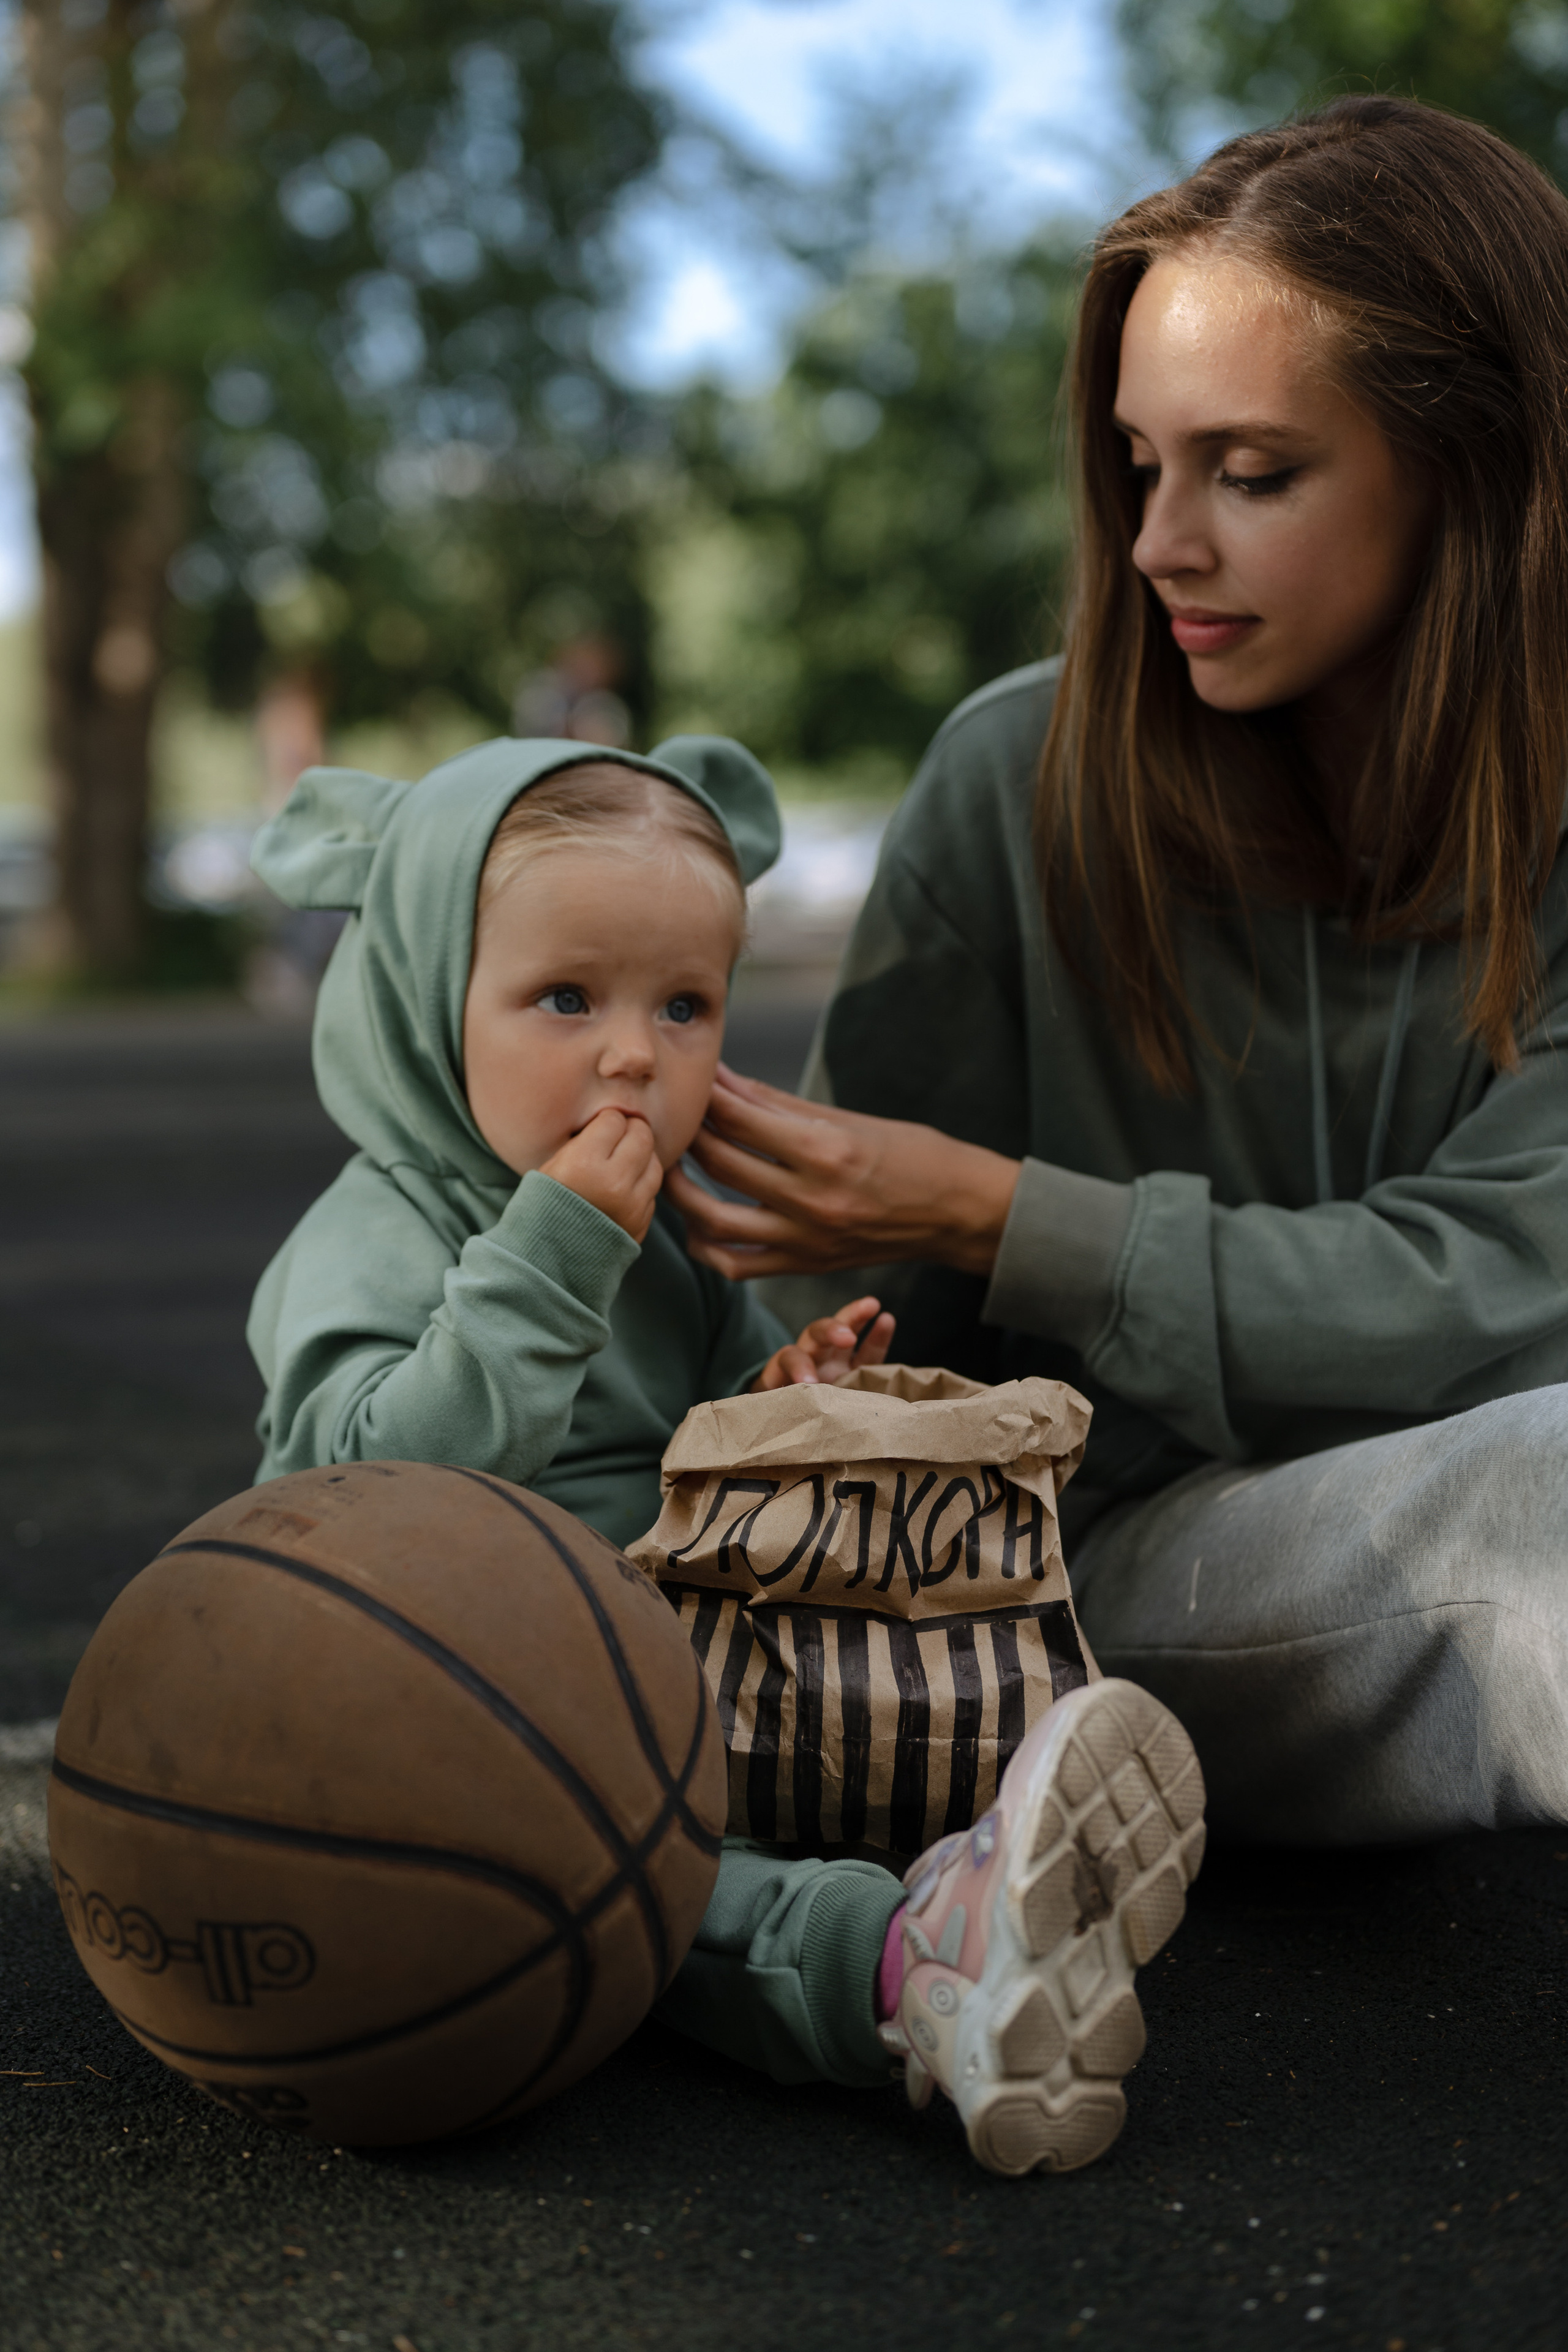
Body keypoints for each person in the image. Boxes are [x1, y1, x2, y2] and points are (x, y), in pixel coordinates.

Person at [669, 93, 1568, 1847]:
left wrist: (1006, 1213)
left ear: (1478, 470)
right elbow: (839, 1334)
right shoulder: (1015, 778)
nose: (1161, 541)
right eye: (1144, 465)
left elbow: (1490, 1292)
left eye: (1252, 473)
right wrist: (810, 1364)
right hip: (1108, 1566)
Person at [246, 733, 1205, 2178]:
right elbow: (380, 1500)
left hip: (666, 1650)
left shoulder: (665, 1246)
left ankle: (983, 1847)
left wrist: (779, 1398)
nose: (635, 1052)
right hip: (445, 1703)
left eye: (684, 1006)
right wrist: (550, 1259)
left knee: (871, 1636)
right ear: (418, 1002)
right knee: (614, 1873)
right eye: (564, 997)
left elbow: (703, 1438)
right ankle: (896, 1969)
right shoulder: (373, 1239)